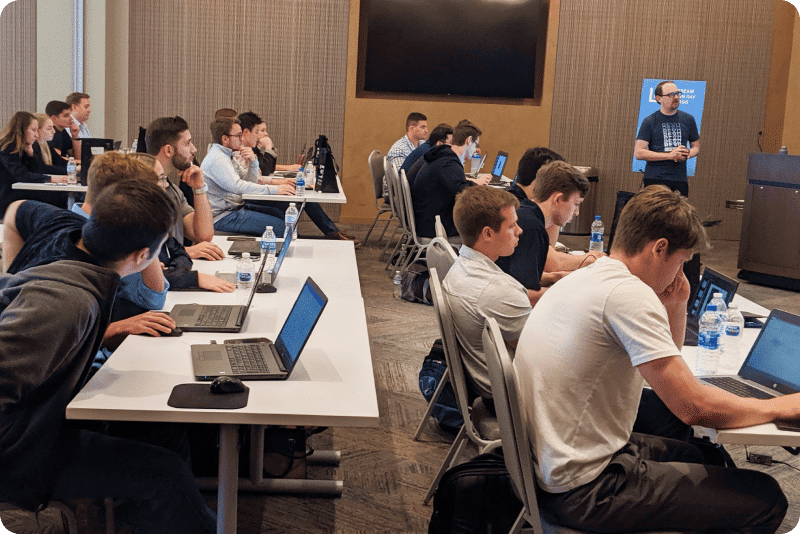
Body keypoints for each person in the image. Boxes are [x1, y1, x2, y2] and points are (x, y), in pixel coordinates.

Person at [514, 185, 790, 533]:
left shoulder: (590, 277)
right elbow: (693, 407)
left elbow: (664, 378)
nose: (681, 273)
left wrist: (675, 306)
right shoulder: (627, 294)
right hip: (585, 490)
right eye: (682, 261)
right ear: (660, 248)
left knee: (697, 456)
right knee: (766, 498)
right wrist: (781, 407)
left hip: (551, 463)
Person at [0, 179, 216, 533]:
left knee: (161, 433)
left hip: (36, 426)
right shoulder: (66, 303)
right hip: (19, 454)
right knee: (167, 474)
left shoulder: (78, 270)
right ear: (142, 256)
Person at [4, 152, 178, 341]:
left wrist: (12, 279)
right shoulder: (93, 265)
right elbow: (153, 298)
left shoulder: (61, 223)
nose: (164, 187)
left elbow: (16, 208)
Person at [443, 186, 530, 405]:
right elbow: (538, 353)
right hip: (512, 396)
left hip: (485, 384)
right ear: (488, 233)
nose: (519, 231)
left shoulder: (459, 268)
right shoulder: (498, 290)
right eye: (511, 226)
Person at [238, 111, 360, 245]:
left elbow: (261, 174)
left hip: (257, 192)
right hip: (250, 198)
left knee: (301, 195)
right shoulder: (241, 152)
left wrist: (282, 181)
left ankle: (327, 233)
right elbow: (262, 174)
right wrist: (278, 181)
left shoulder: (251, 150)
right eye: (258, 131)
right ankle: (308, 238)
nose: (263, 135)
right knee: (297, 200)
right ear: (245, 133)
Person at [496, 160, 589, 304]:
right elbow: (525, 295)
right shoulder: (532, 228)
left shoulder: (526, 212)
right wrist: (570, 292)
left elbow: (519, 275)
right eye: (576, 204)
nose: (576, 212)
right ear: (558, 199)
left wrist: (554, 277)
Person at [145, 116, 225, 260]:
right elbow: (140, 254)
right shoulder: (142, 192)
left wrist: (199, 188)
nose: (194, 149)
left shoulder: (173, 190)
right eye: (187, 143)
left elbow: (203, 235)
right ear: (169, 150)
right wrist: (187, 251)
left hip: (177, 271)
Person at [201, 116, 294, 236]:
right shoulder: (218, 159)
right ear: (225, 139)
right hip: (221, 216)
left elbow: (250, 181)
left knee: (279, 213)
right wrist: (275, 189)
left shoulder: (227, 155)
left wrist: (253, 162)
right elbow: (238, 186)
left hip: (233, 209)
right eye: (238, 136)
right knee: (281, 227)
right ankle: (272, 253)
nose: (242, 139)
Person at [411, 119, 489, 239]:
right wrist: (489, 192)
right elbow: (463, 191)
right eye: (476, 144)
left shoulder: (443, 156)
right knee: (485, 227)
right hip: (433, 225)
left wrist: (472, 183)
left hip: (427, 217)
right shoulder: (448, 161)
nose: (475, 149)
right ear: (468, 140)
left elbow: (459, 184)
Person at [634, 81, 700, 196]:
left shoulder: (688, 119)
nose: (676, 97)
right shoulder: (649, 121)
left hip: (679, 179)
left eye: (678, 94)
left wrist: (687, 154)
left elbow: (696, 146)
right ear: (659, 98)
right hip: (655, 179)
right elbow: (639, 153)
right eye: (671, 94)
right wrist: (670, 155)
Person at [0, 111, 68, 215]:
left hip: (21, 193)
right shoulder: (7, 148)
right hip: (9, 197)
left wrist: (31, 155)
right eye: (33, 130)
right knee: (56, 198)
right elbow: (22, 175)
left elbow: (38, 170)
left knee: (60, 196)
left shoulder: (26, 147)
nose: (36, 135)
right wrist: (51, 179)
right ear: (22, 130)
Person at [401, 122, 453, 187]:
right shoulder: (429, 153)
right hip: (412, 191)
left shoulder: (426, 147)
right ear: (439, 143)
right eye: (451, 143)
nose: (453, 146)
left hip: (409, 189)